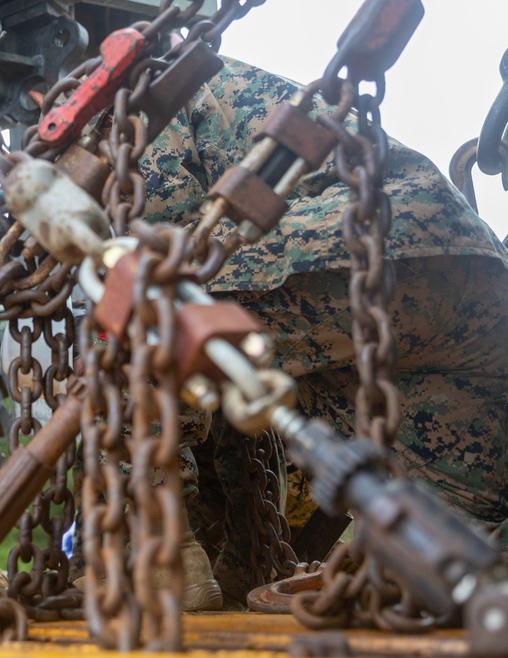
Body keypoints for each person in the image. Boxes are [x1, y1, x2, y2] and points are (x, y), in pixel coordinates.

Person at [139, 55, 508, 605]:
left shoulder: (141, 96)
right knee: (454, 554)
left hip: (358, 241)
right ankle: (238, 562)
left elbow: (157, 259)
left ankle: (148, 547)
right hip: (467, 275)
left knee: (138, 304)